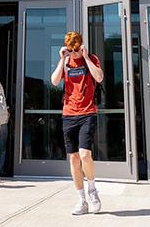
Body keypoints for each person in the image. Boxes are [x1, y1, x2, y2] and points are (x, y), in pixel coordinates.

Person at [50, 31, 104, 215]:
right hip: (69, 114)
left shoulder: (92, 59)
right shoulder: (66, 62)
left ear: (81, 46)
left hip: (88, 112)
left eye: (76, 51)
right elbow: (54, 81)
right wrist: (62, 59)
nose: (73, 54)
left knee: (84, 154)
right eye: (70, 51)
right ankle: (81, 200)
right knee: (73, 158)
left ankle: (93, 191)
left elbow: (99, 77)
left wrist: (86, 57)